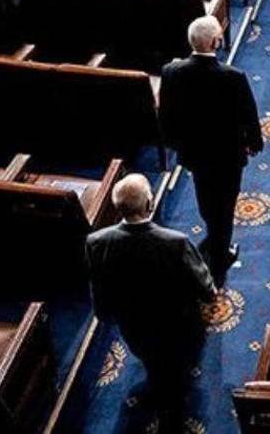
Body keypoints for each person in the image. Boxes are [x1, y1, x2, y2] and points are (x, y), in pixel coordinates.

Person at [85, 174, 215, 434]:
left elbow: (98, 286)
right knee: (178, 365)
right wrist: (210, 294)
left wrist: (106, 313)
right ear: (149, 204)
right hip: (179, 323)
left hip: (134, 325)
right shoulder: (175, 242)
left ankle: (159, 385)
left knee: (152, 359)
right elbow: (203, 283)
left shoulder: (97, 242)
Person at [159, 15, 261, 283]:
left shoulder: (171, 71)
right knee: (226, 204)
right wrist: (254, 143)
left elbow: (166, 117)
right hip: (229, 156)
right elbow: (249, 115)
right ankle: (219, 255)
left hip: (194, 155)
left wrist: (177, 144)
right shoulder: (233, 77)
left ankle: (214, 236)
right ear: (216, 41)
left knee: (205, 196)